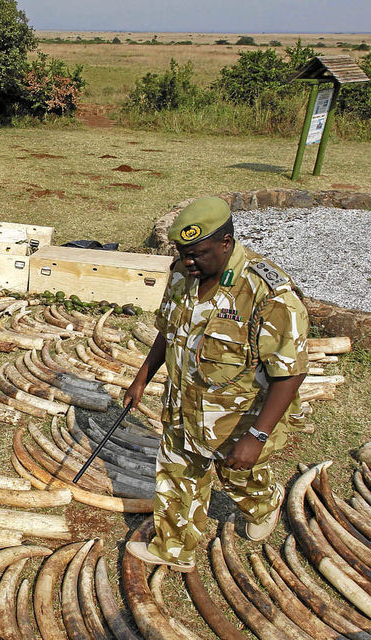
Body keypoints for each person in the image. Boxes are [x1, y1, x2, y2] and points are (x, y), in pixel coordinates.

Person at [123, 196, 308, 572]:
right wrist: (142, 378)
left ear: (226, 243)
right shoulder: (182, 274)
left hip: (237, 417)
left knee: (237, 476)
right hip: (182, 406)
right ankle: (175, 548)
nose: (188, 262)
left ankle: (264, 503)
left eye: (198, 253)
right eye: (182, 252)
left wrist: (256, 436)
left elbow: (290, 371)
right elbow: (169, 330)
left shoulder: (267, 293)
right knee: (176, 474)